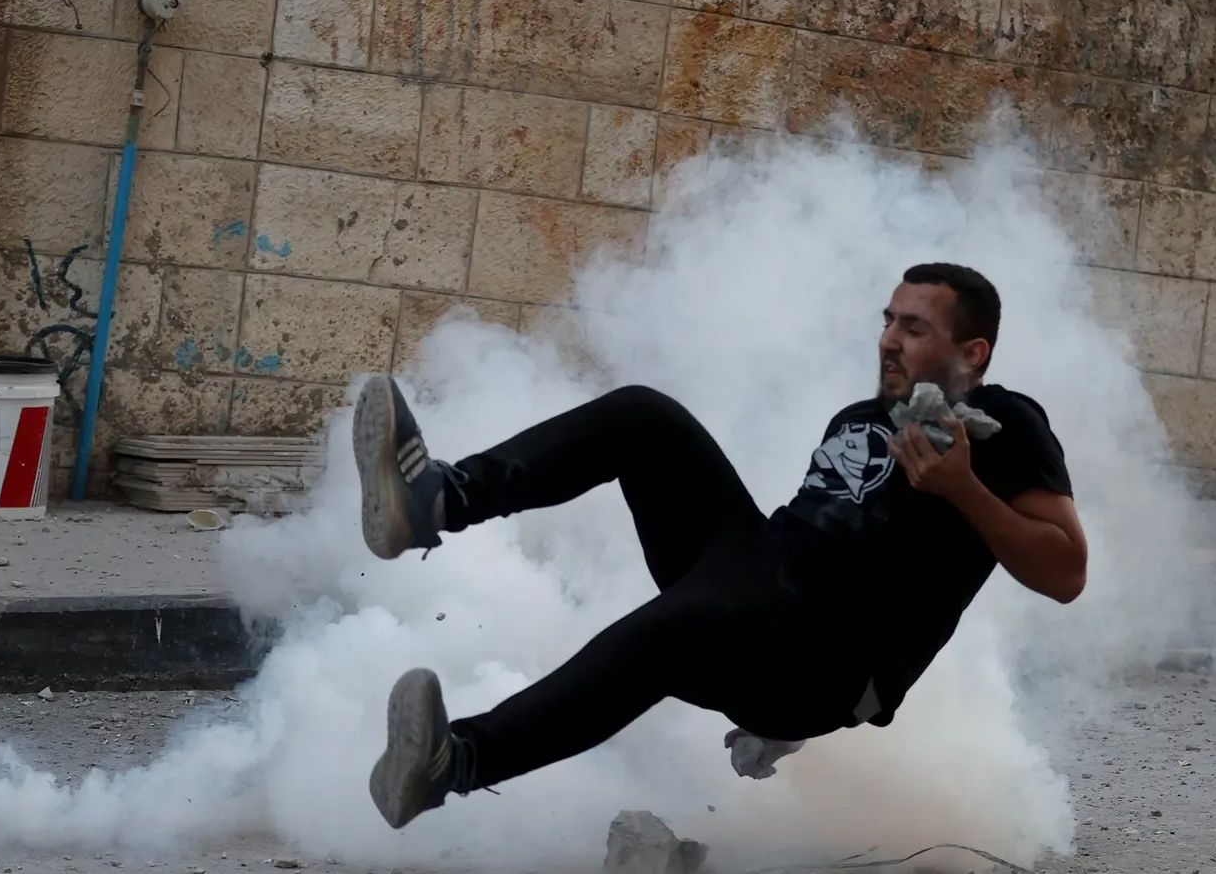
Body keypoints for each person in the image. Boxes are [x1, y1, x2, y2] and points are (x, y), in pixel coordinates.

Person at [349, 263, 1089, 830]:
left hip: (824, 654)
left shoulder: (1003, 422)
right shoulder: (858, 416)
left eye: (915, 328)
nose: (889, 338)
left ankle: (453, 764)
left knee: (682, 625)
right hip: (758, 583)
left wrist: (963, 488)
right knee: (646, 416)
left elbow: (1066, 572)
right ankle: (437, 502)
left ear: (974, 350)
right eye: (888, 319)